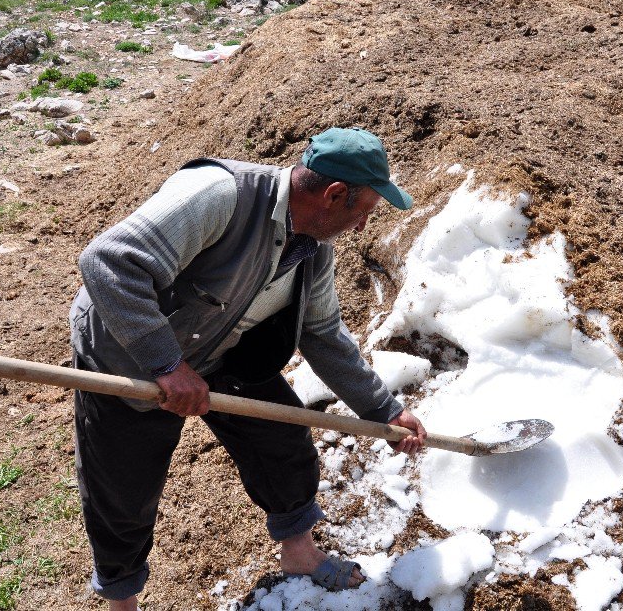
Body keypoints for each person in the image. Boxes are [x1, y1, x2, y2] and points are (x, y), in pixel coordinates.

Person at [69, 127, 428, 610]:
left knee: (283, 444)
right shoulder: (221, 196)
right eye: (362, 212)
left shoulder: (312, 251)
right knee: (124, 491)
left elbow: (322, 335)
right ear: (334, 194)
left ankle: (299, 554)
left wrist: (384, 409)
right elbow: (110, 261)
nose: (362, 227)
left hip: (219, 350)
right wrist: (167, 363)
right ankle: (123, 603)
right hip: (127, 352)